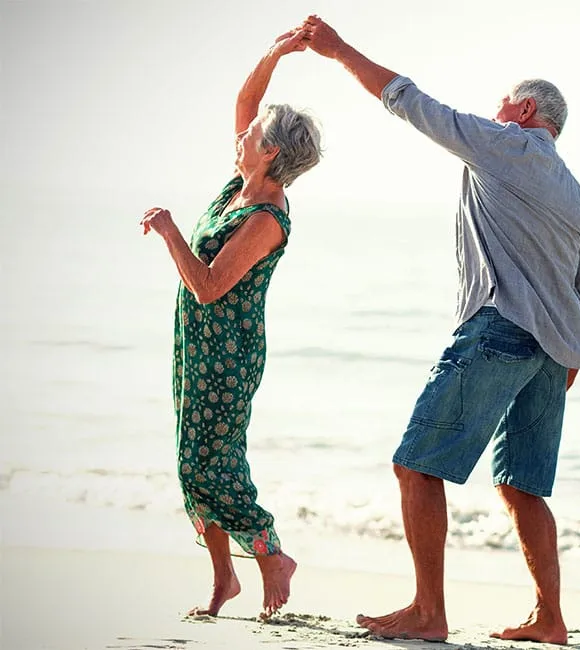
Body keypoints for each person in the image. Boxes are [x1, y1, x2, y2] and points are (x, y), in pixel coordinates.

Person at [300, 15, 580, 645]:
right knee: (521, 485)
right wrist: (564, 367)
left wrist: (337, 50)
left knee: (415, 467)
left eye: (502, 103)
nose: (494, 111)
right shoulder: (579, 197)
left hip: (498, 330)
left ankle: (428, 611)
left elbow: (411, 103)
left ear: (525, 109)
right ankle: (550, 619)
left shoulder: (506, 144)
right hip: (552, 356)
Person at [140, 28, 322, 619]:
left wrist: (169, 232)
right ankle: (224, 580)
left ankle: (270, 552)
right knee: (190, 459)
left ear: (270, 153)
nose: (241, 134)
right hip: (195, 343)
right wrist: (276, 53)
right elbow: (247, 105)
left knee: (208, 462)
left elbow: (211, 285)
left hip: (228, 350)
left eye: (253, 135)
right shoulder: (238, 187)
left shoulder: (268, 214)